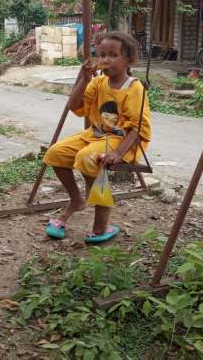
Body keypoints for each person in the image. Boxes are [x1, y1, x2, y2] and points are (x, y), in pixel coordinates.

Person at [42, 31, 151, 244]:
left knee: (87, 158)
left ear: (128, 59)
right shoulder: (98, 83)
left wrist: (118, 153)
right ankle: (76, 201)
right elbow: (74, 106)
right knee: (55, 153)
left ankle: (102, 223)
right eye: (101, 55)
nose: (105, 60)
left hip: (124, 141)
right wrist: (84, 80)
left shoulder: (134, 87)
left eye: (112, 55)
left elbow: (137, 129)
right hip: (96, 136)